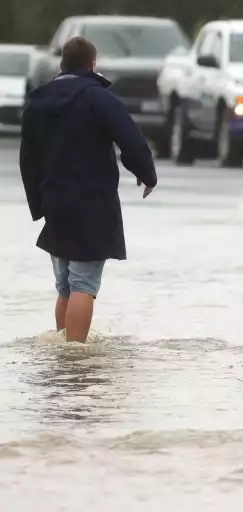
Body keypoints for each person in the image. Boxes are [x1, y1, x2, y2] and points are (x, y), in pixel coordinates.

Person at [19, 36, 157, 343]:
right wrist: (146, 174)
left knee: (65, 285)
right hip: (92, 203)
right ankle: (76, 357)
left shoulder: (38, 102)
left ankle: (63, 348)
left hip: (54, 201)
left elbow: (28, 158)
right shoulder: (99, 98)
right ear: (92, 65)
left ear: (61, 64)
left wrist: (38, 203)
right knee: (84, 284)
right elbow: (131, 139)